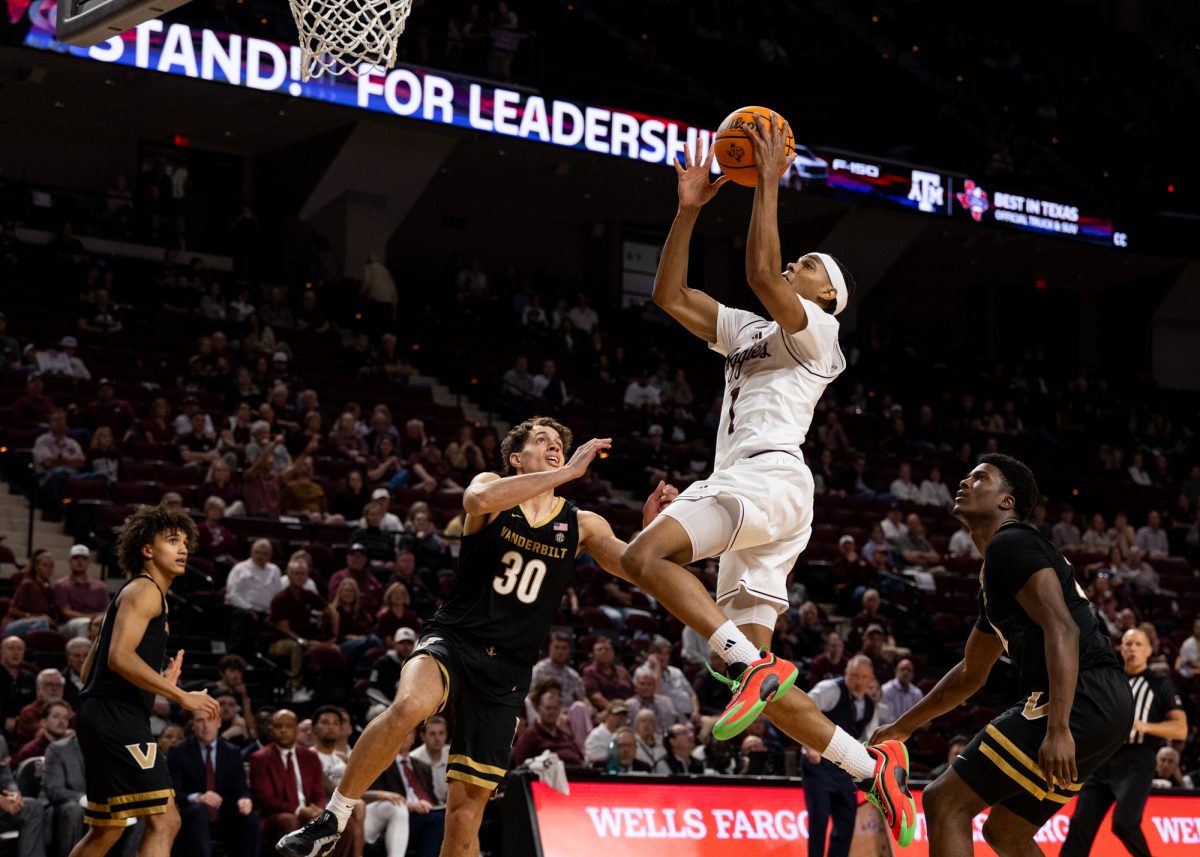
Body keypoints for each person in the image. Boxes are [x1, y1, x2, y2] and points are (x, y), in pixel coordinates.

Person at [616, 134, 912, 845]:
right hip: (758, 494)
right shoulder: (750, 329)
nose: (794, 264)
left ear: (827, 294)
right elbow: (669, 295)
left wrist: (768, 182)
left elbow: (758, 270)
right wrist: (687, 210)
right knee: (761, 689)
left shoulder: (821, 332)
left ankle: (756, 666)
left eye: (809, 264)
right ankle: (872, 765)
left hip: (769, 476)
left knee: (641, 557)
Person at [277, 417, 673, 857]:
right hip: (456, 639)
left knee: (465, 822)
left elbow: (636, 568)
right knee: (410, 705)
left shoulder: (583, 524)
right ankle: (334, 816)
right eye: (542, 440)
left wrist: (653, 534)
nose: (556, 445)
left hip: (506, 672)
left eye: (560, 442)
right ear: (517, 459)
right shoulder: (493, 488)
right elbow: (475, 497)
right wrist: (568, 473)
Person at [872, 454, 1133, 856]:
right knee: (1006, 833)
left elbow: (1061, 628)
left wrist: (1059, 727)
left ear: (1006, 502)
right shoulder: (996, 577)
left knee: (944, 803)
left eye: (980, 478)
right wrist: (902, 728)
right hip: (1105, 704)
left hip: (1078, 695)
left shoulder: (1011, 541)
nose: (965, 482)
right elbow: (969, 675)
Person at [70, 504, 220, 857]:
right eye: (172, 540)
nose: (183, 548)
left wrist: (153, 680)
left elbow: (88, 672)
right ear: (147, 550)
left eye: (185, 541)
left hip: (102, 715)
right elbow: (119, 658)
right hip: (117, 718)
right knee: (166, 820)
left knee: (106, 829)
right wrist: (180, 695)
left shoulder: (132, 593)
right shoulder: (146, 591)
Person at [1060, 626, 1187, 857]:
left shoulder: (1160, 684)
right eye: (1128, 643)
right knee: (1080, 825)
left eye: (1139, 644)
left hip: (1137, 761)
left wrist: (1143, 726)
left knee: (1124, 823)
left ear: (1149, 650)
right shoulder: (1110, 681)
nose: (1133, 649)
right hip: (1102, 760)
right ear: (1120, 649)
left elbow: (1180, 729)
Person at [801, 656, 880, 857]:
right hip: (819, 765)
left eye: (863, 677)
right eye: (854, 675)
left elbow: (870, 742)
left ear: (871, 679)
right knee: (819, 821)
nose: (858, 681)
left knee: (846, 823)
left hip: (845, 769)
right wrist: (810, 745)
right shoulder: (831, 689)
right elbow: (800, 711)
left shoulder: (870, 706)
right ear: (846, 673)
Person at [168, 707, 259, 857]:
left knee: (251, 818)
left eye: (210, 720)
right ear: (192, 725)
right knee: (198, 811)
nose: (206, 726)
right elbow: (172, 792)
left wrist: (244, 799)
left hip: (224, 814)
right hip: (192, 816)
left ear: (218, 722)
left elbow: (241, 788)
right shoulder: (178, 752)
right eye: (200, 720)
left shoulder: (233, 752)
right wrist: (198, 798)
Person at [249, 710, 326, 852]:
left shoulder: (311, 757)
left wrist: (318, 811)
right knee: (289, 821)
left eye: (288, 726)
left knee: (343, 824)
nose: (283, 730)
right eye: (278, 726)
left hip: (309, 812)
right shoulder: (259, 758)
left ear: (296, 729)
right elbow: (266, 800)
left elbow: (319, 793)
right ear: (272, 729)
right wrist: (298, 810)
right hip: (276, 816)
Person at [364, 727, 445, 857]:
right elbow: (374, 796)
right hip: (401, 816)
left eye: (408, 733)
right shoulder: (380, 763)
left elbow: (432, 798)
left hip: (428, 812)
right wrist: (410, 806)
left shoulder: (423, 767)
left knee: (453, 816)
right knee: (438, 820)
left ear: (414, 737)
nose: (404, 736)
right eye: (400, 732)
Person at [55, 544, 110, 639]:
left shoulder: (100, 586)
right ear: (69, 561)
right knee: (85, 624)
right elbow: (66, 613)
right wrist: (91, 618)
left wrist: (96, 619)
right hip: (70, 624)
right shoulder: (61, 585)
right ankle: (84, 652)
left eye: (83, 559)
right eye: (76, 558)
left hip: (97, 621)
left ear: (88, 562)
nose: (80, 562)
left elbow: (106, 610)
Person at [410, 715, 450, 804]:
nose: (437, 738)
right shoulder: (413, 759)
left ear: (446, 734)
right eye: (432, 733)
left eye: (441, 733)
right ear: (423, 736)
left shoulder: (453, 756)